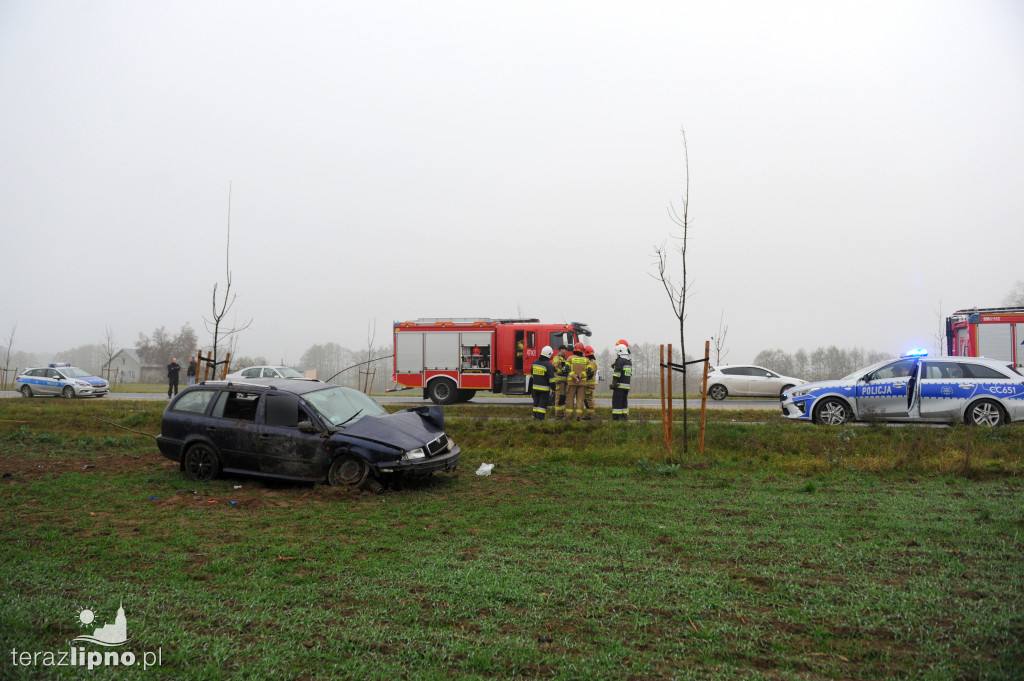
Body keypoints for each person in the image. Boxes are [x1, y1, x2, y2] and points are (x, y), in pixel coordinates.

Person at [565, 343, 592, 421]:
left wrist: (574, 376)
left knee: (570, 399)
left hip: (571, 382)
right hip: (582, 383)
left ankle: (569, 416)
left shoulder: (570, 358)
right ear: (582, 351)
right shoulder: (586, 360)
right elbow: (589, 372)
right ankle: (578, 416)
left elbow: (567, 369)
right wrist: (580, 376)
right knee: (580, 399)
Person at [530, 346, 555, 420]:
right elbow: (551, 378)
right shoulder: (548, 365)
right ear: (549, 354)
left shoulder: (535, 362)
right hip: (544, 388)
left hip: (535, 387)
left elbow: (532, 375)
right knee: (543, 402)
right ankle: (540, 417)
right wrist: (553, 388)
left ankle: (535, 416)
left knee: (536, 401)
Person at [610, 342, 632, 421]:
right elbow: (625, 373)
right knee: (624, 402)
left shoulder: (620, 361)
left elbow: (617, 373)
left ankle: (617, 418)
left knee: (617, 402)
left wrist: (614, 383)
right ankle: (624, 417)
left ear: (620, 352)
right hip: (626, 386)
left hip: (619, 386)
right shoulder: (629, 361)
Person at [551, 345, 569, 419]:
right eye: (565, 350)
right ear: (561, 350)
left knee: (563, 398)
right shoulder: (556, 358)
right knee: (558, 398)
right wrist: (561, 371)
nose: (566, 352)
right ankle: (558, 415)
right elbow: (554, 367)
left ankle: (562, 414)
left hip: (565, 382)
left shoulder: (565, 359)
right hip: (559, 382)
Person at [583, 345, 598, 420]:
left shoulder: (591, 362)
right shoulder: (593, 361)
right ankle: (590, 415)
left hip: (589, 384)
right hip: (590, 384)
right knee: (589, 399)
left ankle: (591, 415)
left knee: (588, 399)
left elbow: (589, 373)